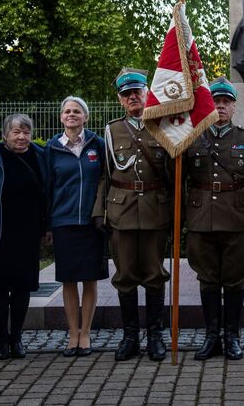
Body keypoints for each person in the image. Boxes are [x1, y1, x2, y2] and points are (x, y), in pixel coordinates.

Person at [183, 77, 244, 360]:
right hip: (201, 219)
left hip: (236, 219)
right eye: (216, 101)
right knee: (207, 279)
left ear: (234, 107)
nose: (220, 106)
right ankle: (211, 337)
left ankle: (232, 336)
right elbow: (179, 181)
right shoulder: (192, 137)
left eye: (226, 102)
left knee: (234, 280)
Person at [92, 68, 173, 362]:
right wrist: (99, 211)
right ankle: (129, 337)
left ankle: (155, 336)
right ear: (120, 100)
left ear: (147, 93)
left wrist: (178, 212)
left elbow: (174, 175)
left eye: (137, 92)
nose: (132, 98)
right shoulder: (112, 131)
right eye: (127, 95)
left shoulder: (163, 127)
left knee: (154, 275)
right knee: (125, 276)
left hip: (155, 210)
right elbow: (105, 174)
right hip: (121, 211)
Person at [47, 97, 108, 358]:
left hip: (92, 223)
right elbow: (48, 187)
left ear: (86, 117)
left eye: (77, 111)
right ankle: (73, 334)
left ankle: (86, 333)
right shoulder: (51, 148)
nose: (71, 114)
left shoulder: (98, 145)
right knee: (69, 280)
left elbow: (106, 179)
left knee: (90, 279)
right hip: (63, 222)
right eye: (67, 111)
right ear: (61, 117)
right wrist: (47, 224)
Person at [0, 114, 48, 360]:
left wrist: (47, 226)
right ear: (5, 134)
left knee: (23, 286)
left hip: (29, 231)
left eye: (26, 132)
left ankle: (17, 337)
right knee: (0, 286)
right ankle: (2, 338)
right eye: (16, 132)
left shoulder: (40, 156)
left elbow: (47, 193)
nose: (22, 137)